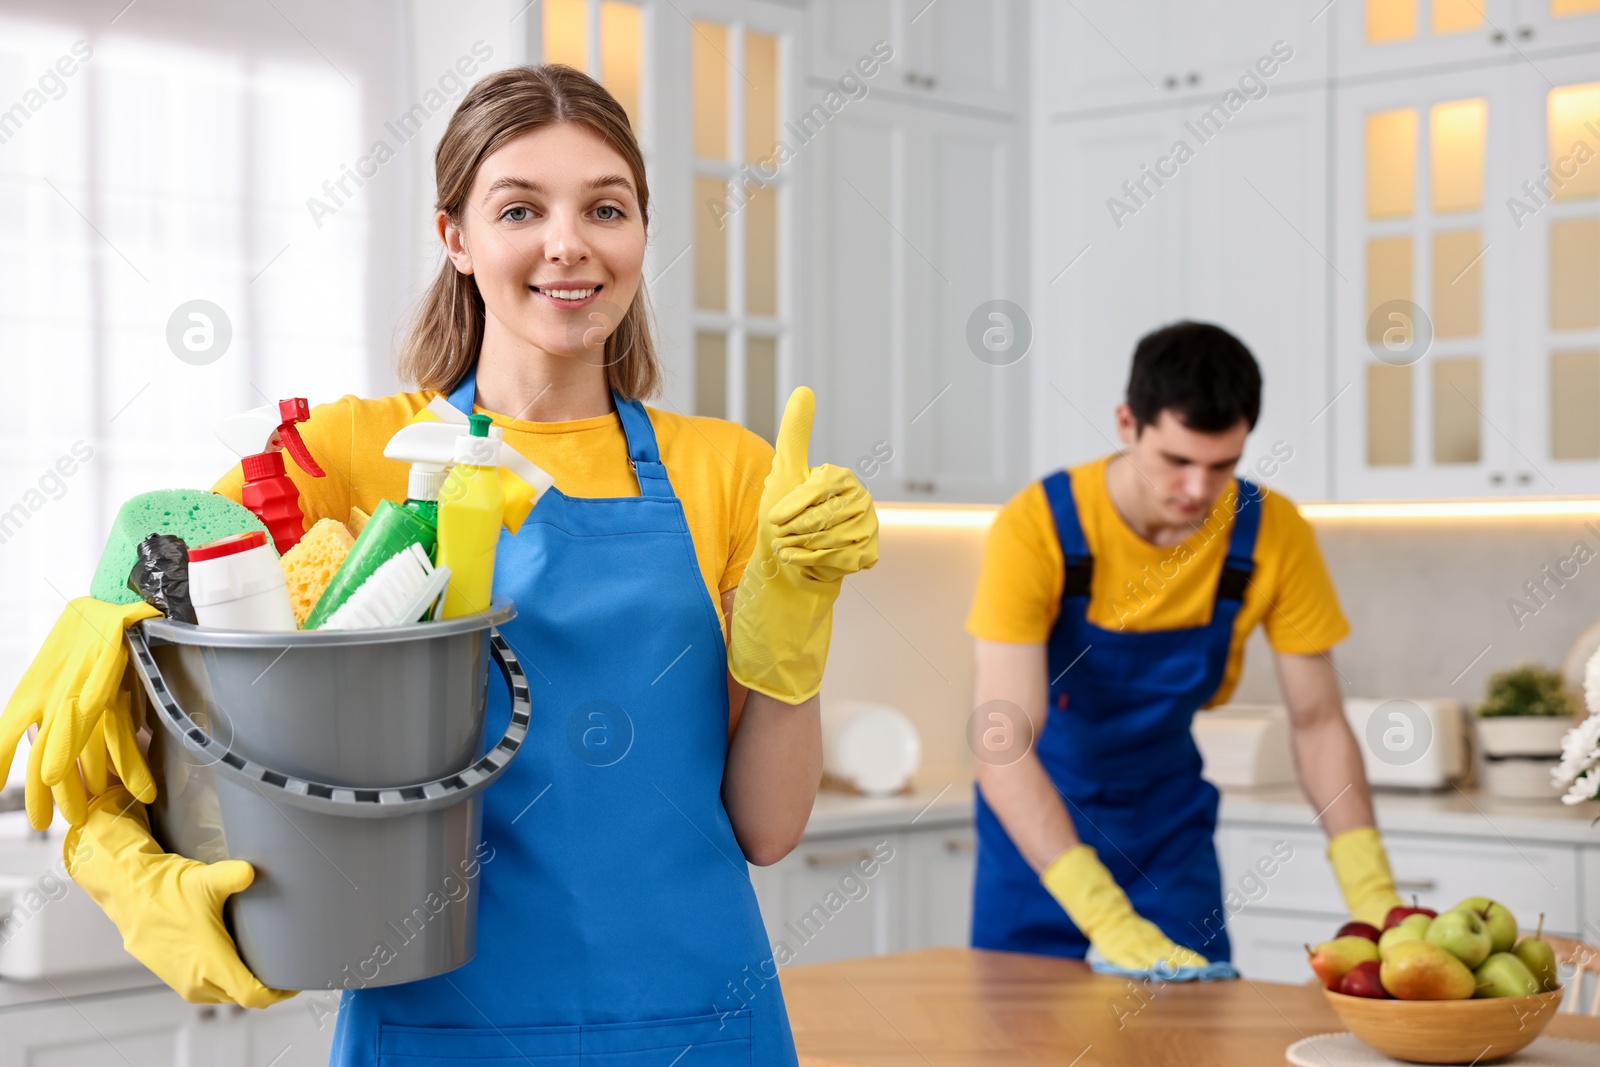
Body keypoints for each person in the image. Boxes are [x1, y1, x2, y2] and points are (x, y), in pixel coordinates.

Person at [1, 64, 877, 1065]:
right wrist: (136, 874)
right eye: (519, 208)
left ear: (640, 231)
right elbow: (130, 717)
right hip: (441, 1024)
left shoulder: (728, 469)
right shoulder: (333, 459)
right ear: (454, 236)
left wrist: (797, 627)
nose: (569, 243)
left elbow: (767, 829)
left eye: (606, 206)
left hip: (695, 1016)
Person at [965, 321, 1399, 970]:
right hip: (1039, 831)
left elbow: (1317, 723)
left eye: (1223, 464)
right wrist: (1103, 913)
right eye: (1176, 460)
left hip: (1166, 831)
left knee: (1190, 1038)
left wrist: (1376, 898)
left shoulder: (1270, 535)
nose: (1199, 490)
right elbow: (1002, 743)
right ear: (1126, 423)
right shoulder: (1039, 527)